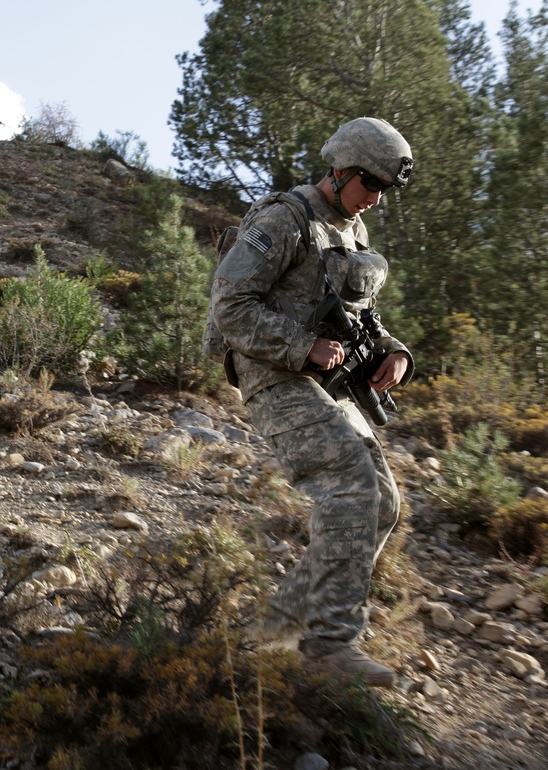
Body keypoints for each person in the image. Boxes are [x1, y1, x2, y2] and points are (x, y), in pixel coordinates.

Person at [209, 117, 415, 687]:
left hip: (328, 381)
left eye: (382, 191)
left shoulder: (351, 233)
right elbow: (231, 306)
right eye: (368, 185)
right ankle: (328, 647)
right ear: (340, 170)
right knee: (351, 483)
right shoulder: (284, 219)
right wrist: (303, 346)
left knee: (383, 503)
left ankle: (274, 634)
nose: (374, 199)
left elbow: (361, 317)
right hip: (274, 375)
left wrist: (395, 352)